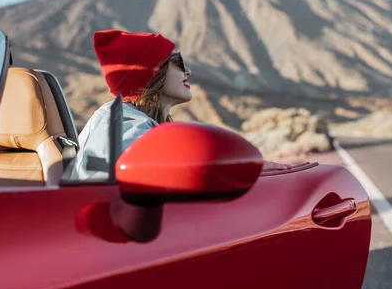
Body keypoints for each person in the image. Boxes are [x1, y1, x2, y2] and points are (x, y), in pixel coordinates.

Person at [67, 29, 290, 181]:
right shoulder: (122, 122)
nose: (188, 72)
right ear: (153, 73)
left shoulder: (132, 120)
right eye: (178, 62)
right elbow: (143, 174)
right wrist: (240, 169)